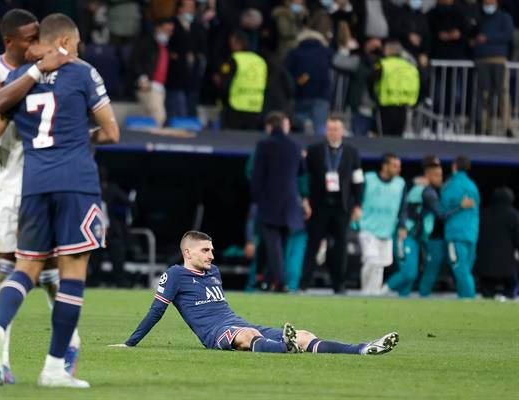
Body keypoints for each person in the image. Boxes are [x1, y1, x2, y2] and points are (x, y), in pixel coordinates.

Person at [0, 13, 119, 388]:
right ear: (69, 43)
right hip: (76, 183)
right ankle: (55, 368)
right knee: (72, 275)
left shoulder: (16, 80)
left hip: (33, 186)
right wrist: (81, 140)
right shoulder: (83, 72)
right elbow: (112, 131)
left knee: (24, 269)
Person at [0, 9, 77, 384]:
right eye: (31, 39)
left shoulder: (56, 72)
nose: (37, 45)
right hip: (11, 180)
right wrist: (36, 72)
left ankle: (66, 351)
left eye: (40, 38)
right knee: (4, 267)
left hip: (44, 178)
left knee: (49, 269)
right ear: (10, 42)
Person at [112, 230, 399, 356]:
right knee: (248, 338)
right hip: (216, 334)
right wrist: (130, 344)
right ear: (187, 252)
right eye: (205, 250)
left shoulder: (213, 272)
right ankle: (284, 348)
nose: (212, 254)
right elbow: (156, 311)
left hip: (238, 321)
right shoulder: (174, 275)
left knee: (305, 335)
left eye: (212, 249)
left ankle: (360, 349)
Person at [382, 156, 473, 297]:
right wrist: (460, 206)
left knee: (411, 276)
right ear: (427, 175)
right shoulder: (427, 191)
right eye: (437, 175)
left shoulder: (424, 189)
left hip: (416, 238)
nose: (440, 178)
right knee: (409, 273)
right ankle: (379, 293)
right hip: (406, 235)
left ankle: (400, 302)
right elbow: (440, 215)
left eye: (441, 175)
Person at [299, 116, 364, 293]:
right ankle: (303, 283)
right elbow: (304, 177)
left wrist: (358, 204)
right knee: (313, 244)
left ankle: (339, 285)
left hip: (341, 207)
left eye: (336, 129)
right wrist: (305, 198)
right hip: (319, 206)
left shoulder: (351, 152)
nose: (333, 132)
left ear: (342, 131)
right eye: (329, 129)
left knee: (340, 247)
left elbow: (358, 180)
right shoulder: (314, 150)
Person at [250, 112, 310, 292]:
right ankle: (270, 281)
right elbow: (302, 171)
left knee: (272, 241)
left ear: (269, 126)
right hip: (290, 201)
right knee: (281, 242)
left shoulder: (264, 144)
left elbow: (256, 175)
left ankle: (280, 281)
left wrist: (256, 198)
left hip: (269, 201)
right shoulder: (296, 145)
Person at [359, 153, 407, 295]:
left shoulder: (400, 184)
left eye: (399, 166)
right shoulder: (368, 179)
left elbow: (403, 207)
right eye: (394, 166)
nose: (398, 169)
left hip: (386, 231)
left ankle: (372, 296)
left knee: (379, 266)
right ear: (385, 166)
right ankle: (365, 292)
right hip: (367, 229)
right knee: (372, 260)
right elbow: (356, 198)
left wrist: (402, 225)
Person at [470, 0, 514, 136]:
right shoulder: (479, 17)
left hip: (499, 60)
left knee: (503, 93)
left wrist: (487, 38)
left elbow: (508, 35)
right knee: (484, 94)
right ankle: (485, 127)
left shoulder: (504, 17)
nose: (488, 3)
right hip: (482, 60)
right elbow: (472, 35)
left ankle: (507, 127)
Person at [439, 156, 480, 298]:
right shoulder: (473, 186)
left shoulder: (450, 186)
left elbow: (442, 212)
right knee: (466, 271)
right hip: (472, 234)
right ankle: (465, 301)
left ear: (454, 166)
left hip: (456, 235)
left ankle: (470, 301)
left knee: (461, 270)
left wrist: (458, 208)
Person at [285, 28, 334, 135]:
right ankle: (321, 150)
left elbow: (286, 73)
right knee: (320, 127)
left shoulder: (294, 54)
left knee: (298, 126)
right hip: (322, 96)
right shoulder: (326, 52)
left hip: (301, 95)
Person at [217, 30, 268, 130]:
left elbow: (225, 84)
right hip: (256, 106)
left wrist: (220, 98)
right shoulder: (260, 60)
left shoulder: (235, 59)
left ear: (236, 42)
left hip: (235, 107)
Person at [128, 18, 175, 126]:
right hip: (148, 85)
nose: (168, 33)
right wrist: (142, 79)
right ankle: (156, 141)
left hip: (160, 87)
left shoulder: (165, 46)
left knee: (148, 117)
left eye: (170, 31)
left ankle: (147, 141)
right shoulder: (146, 43)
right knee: (159, 116)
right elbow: (135, 61)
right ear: (158, 28)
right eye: (166, 30)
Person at [476, 187, 519, 299]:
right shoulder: (514, 215)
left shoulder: (483, 214)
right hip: (508, 265)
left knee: (487, 295)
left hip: (486, 264)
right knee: (509, 295)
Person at [371, 39, 420, 136]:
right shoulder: (410, 66)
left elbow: (371, 80)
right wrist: (415, 102)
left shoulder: (382, 64)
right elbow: (422, 84)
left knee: (385, 136)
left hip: (385, 106)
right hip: (404, 107)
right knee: (398, 137)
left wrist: (374, 97)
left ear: (388, 51)